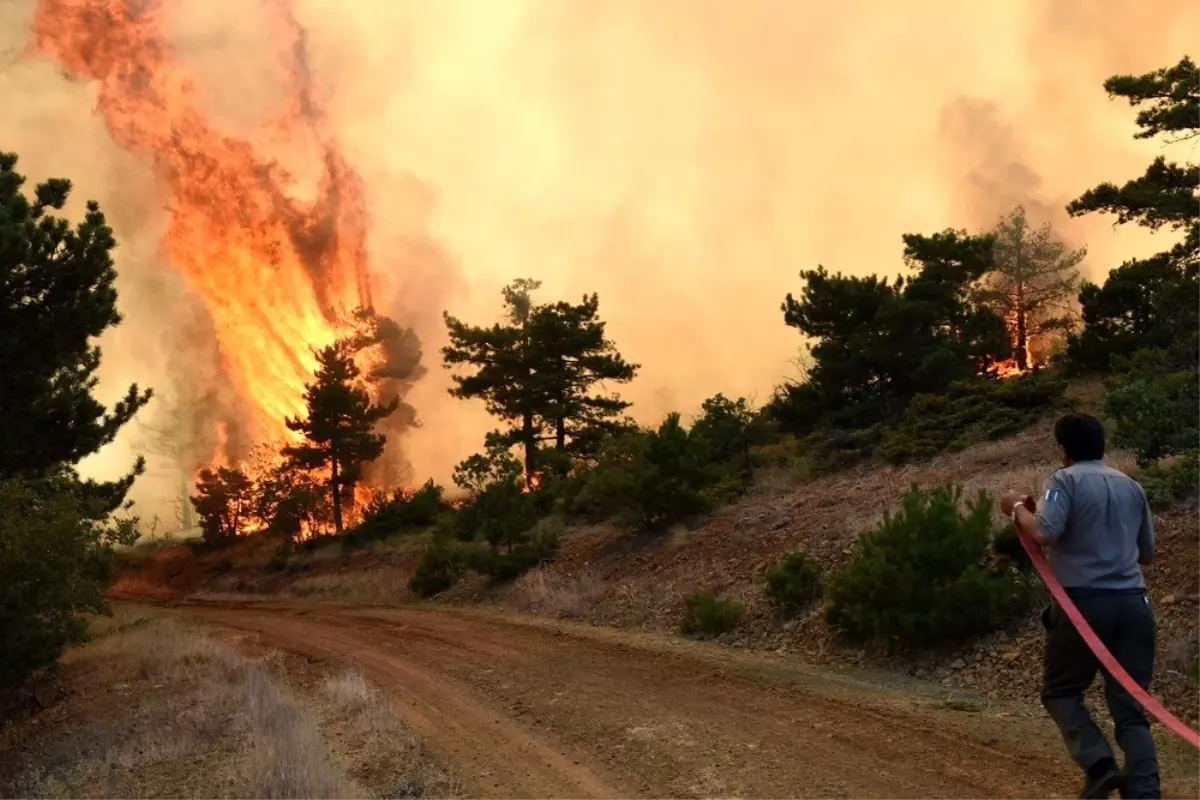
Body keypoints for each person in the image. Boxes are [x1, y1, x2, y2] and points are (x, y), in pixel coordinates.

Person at [1001, 412, 1159, 800]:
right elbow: (1148, 554)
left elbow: (1042, 531)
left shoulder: (1063, 481)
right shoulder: (1132, 486)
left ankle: (1100, 765)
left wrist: (1013, 508)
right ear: (1102, 445)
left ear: (1063, 449)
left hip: (1083, 608)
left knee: (1060, 692)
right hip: (1134, 607)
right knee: (1131, 707)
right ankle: (1144, 793)